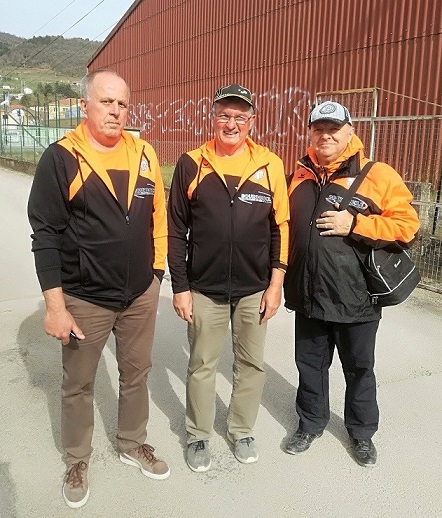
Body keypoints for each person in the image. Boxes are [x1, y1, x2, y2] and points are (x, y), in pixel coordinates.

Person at [27, 69, 169, 508]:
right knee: (79, 383)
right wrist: (56, 306)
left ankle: (132, 442)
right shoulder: (62, 157)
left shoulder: (144, 153)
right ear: (85, 104)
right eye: (106, 102)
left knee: (136, 373)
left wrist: (157, 276)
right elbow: (45, 234)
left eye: (122, 104)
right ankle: (77, 459)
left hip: (140, 293)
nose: (115, 111)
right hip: (85, 297)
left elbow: (158, 220)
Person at [283, 101, 420, 467]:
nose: (325, 135)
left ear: (349, 131)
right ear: (310, 132)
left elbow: (408, 226)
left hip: (356, 298)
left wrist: (355, 224)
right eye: (318, 128)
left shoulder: (378, 174)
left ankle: (361, 433)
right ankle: (310, 423)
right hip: (308, 293)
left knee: (359, 368)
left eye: (333, 129)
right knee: (310, 364)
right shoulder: (299, 174)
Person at [167, 83, 290, 472]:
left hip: (255, 290)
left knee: (251, 363)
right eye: (224, 115)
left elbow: (280, 228)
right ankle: (198, 435)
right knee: (202, 363)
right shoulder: (192, 162)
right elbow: (174, 230)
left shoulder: (269, 163)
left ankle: (241, 430)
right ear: (213, 117)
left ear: (252, 120)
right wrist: (181, 287)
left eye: (240, 116)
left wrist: (276, 284)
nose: (231, 123)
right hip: (204, 288)